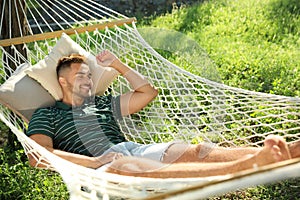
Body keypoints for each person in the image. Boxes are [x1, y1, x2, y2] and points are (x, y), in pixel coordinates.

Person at [26, 50, 299, 178]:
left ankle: (288, 151)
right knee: (128, 168)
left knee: (196, 150)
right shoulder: (47, 114)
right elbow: (38, 156)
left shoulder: (101, 103)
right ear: (63, 81)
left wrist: (118, 65)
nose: (87, 79)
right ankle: (247, 166)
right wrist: (96, 161)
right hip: (96, 168)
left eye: (89, 74)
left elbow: (147, 94)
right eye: (80, 75)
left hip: (129, 148)